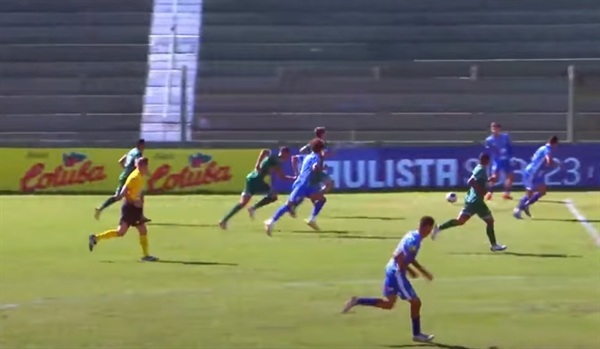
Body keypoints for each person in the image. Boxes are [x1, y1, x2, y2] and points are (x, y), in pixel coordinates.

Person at [341, 216, 436, 343]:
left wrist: (423, 272)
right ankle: (417, 334)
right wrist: (410, 271)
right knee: (415, 302)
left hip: (391, 269)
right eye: (428, 230)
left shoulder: (412, 235)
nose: (428, 233)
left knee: (389, 304)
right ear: (424, 227)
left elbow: (409, 257)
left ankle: (357, 301)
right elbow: (398, 256)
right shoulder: (414, 240)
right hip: (397, 272)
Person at [432, 153, 507, 252]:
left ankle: (439, 227)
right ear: (487, 161)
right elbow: (471, 181)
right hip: (477, 201)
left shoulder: (479, 168)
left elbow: (479, 181)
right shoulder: (481, 170)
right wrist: (480, 190)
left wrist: (489, 180)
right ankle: (494, 245)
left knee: (461, 221)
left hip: (472, 200)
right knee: (490, 221)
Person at [88, 157, 158, 261]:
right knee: (131, 231)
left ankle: (96, 238)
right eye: (145, 166)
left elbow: (138, 189)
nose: (146, 168)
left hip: (133, 208)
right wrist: (134, 201)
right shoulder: (135, 177)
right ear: (142, 166)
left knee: (130, 231)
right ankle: (146, 255)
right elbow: (123, 193)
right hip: (130, 208)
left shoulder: (139, 175)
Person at [219, 147, 294, 229]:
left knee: (242, 203)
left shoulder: (273, 157)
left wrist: (258, 164)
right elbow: (283, 177)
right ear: (285, 153)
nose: (288, 157)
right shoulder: (277, 161)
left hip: (250, 178)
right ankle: (253, 208)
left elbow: (265, 151)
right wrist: (296, 178)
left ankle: (224, 220)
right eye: (288, 155)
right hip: (257, 180)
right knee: (273, 196)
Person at [264, 138, 326, 236]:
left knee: (322, 199)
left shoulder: (309, 156)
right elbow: (314, 167)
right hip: (303, 185)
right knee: (289, 205)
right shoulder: (316, 158)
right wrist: (320, 168)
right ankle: (271, 222)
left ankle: (312, 219)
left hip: (308, 185)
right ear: (321, 149)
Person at [95, 139, 150, 222]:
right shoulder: (138, 153)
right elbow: (137, 164)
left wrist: (126, 169)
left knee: (138, 194)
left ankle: (139, 216)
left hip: (125, 176)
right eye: (143, 145)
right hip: (129, 178)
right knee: (120, 196)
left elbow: (120, 161)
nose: (144, 147)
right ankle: (100, 209)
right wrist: (144, 171)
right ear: (140, 145)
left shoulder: (131, 151)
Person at [514, 136, 559, 219]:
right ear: (555, 143)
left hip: (535, 173)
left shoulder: (542, 148)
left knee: (542, 190)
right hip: (532, 172)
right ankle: (517, 210)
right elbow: (548, 161)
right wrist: (556, 164)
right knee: (529, 193)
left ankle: (526, 205)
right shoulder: (547, 149)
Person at [484, 122, 513, 200]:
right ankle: (489, 193)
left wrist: (510, 156)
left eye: (496, 128)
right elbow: (488, 151)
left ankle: (506, 193)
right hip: (497, 160)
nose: (494, 130)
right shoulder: (489, 140)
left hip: (506, 159)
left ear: (499, 129)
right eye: (492, 128)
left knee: (510, 176)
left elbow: (509, 147)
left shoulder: (505, 137)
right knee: (494, 177)